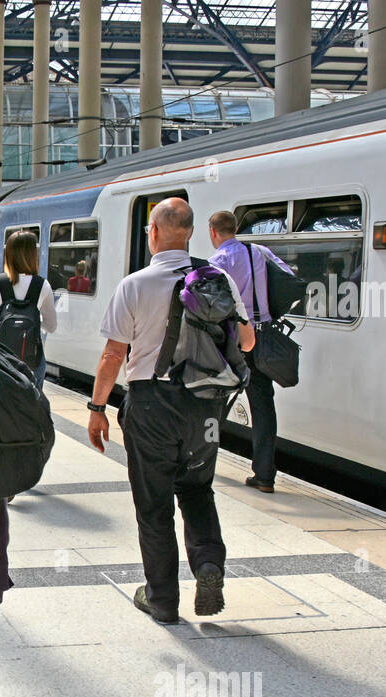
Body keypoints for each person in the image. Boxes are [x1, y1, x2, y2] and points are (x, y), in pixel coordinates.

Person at [88, 198, 253, 624]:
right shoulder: (217, 279)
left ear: (155, 232)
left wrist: (97, 407)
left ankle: (162, 599)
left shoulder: (136, 284)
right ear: (191, 233)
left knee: (154, 504)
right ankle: (208, 564)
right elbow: (248, 342)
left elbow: (112, 355)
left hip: (151, 404)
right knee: (198, 490)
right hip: (206, 406)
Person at [208, 209, 293, 494]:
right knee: (263, 406)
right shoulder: (260, 251)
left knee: (215, 399)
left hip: (234, 340)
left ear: (213, 232)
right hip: (263, 338)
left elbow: (211, 301)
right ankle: (265, 475)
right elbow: (289, 277)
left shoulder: (218, 260)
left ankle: (203, 460)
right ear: (234, 228)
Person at [0, 230, 57, 389]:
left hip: (0, 358)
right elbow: (51, 326)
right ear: (34, 254)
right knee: (31, 407)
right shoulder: (43, 285)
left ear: (8, 254)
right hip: (32, 361)